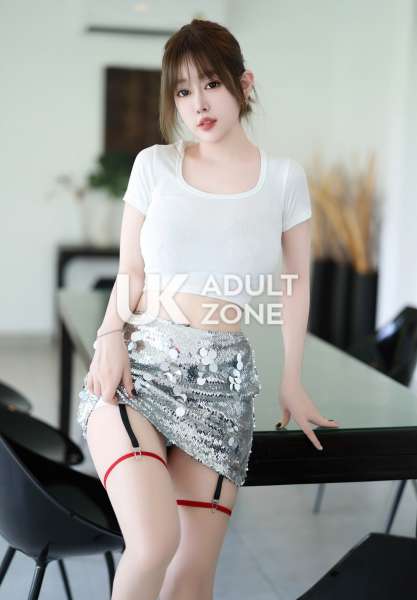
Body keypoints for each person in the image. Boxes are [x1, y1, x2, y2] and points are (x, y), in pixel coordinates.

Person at [76, 18, 340, 600]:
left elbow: (296, 284)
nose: (198, 103)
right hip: (139, 369)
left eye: (212, 84)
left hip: (222, 384)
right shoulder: (155, 165)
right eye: (183, 90)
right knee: (153, 544)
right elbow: (130, 271)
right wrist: (109, 337)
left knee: (193, 574)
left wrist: (292, 380)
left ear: (244, 84)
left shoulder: (283, 179)